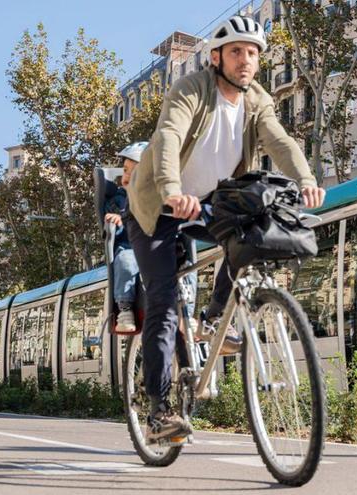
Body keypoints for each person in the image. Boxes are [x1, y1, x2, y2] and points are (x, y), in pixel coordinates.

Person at [125, 15, 325, 442]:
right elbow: (168, 139)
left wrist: (306, 179)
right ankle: (159, 414)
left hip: (210, 202)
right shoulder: (190, 90)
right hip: (158, 205)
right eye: (236, 51)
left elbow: (280, 141)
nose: (246, 60)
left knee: (251, 234)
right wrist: (173, 190)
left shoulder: (257, 100)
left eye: (253, 53)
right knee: (161, 305)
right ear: (216, 57)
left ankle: (214, 319)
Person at [105, 142, 147, 332]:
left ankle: (188, 307)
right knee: (126, 261)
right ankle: (125, 308)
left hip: (155, 248)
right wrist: (118, 220)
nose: (126, 176)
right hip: (130, 247)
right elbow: (113, 221)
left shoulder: (159, 197)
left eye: (134, 171)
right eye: (125, 170)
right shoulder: (119, 201)